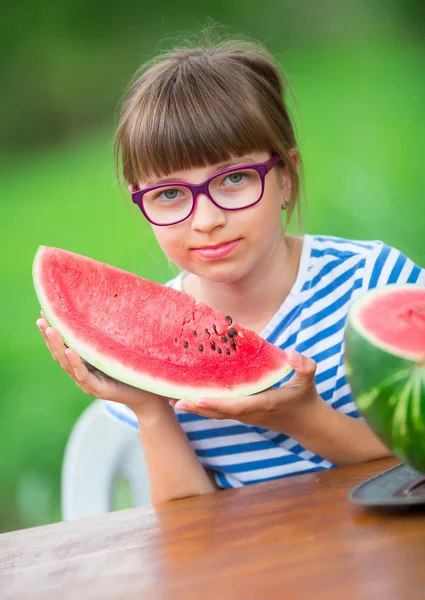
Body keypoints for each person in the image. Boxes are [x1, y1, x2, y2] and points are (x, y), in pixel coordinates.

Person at [36, 37, 425, 503]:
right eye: (169, 194)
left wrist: (302, 418)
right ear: (140, 203)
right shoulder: (149, 341)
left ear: (285, 177)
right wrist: (149, 408)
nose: (206, 220)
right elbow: (190, 529)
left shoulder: (374, 283)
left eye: (235, 179)